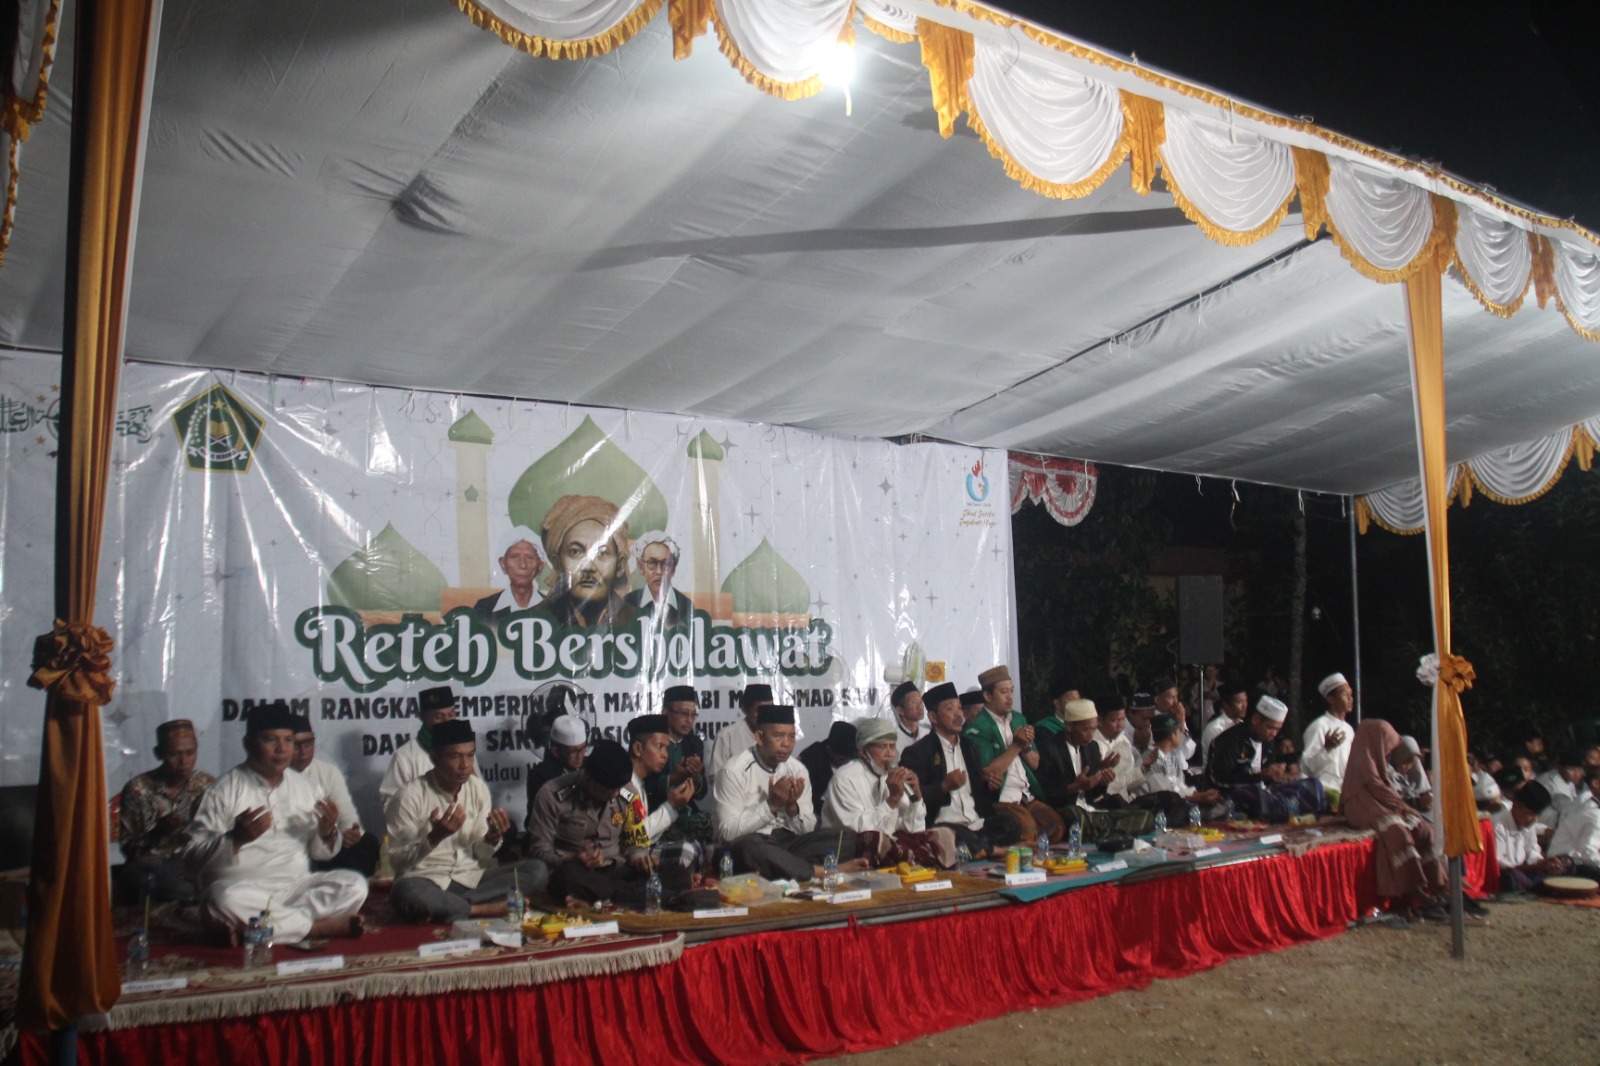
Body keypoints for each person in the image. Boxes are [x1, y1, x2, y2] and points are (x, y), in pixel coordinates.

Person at [182, 702, 367, 943]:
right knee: (222, 898)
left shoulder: (307, 788)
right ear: (249, 744)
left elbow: (321, 854)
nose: (281, 749)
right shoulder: (223, 791)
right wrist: (235, 839)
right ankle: (316, 929)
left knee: (355, 885)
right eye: (271, 740)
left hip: (295, 887)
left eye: (288, 740)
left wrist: (327, 832)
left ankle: (260, 927)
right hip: (243, 889)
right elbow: (190, 859)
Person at [387, 719, 549, 922]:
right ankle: (480, 909)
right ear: (435, 757)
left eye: (470, 755)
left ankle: (452, 906)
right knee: (404, 891)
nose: (465, 765)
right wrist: (434, 837)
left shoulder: (477, 789)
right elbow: (397, 861)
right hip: (426, 879)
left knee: (537, 870)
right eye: (455, 756)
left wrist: (492, 838)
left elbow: (480, 853)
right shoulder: (409, 796)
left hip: (469, 878)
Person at [715, 705, 867, 879]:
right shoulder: (733, 771)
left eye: (792, 736)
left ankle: (781, 868)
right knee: (751, 847)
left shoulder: (797, 770)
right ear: (759, 737)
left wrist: (792, 808)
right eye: (778, 736)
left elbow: (807, 829)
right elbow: (727, 833)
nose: (786, 744)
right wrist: (771, 806)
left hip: (787, 844)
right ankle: (819, 871)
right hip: (748, 844)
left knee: (845, 838)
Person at [527, 739, 682, 908]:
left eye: (619, 788)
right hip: (577, 874)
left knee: (679, 874)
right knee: (564, 879)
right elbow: (538, 852)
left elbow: (635, 844)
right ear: (589, 780)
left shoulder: (628, 793)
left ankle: (606, 898)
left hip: (615, 870)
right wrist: (573, 859)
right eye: (609, 790)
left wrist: (641, 860)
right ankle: (641, 896)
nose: (615, 795)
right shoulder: (552, 795)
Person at [1340, 719, 1452, 921]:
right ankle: (1415, 891)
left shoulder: (1379, 762)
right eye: (1388, 745)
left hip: (1380, 804)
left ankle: (1440, 886)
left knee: (1420, 827)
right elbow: (1377, 788)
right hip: (1360, 805)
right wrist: (1404, 807)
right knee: (1396, 829)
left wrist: (1407, 810)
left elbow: (1386, 792)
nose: (1389, 751)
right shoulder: (1362, 762)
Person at [900, 683, 1018, 858]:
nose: (958, 715)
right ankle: (991, 849)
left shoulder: (970, 747)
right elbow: (910, 798)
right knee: (952, 835)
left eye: (960, 708)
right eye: (950, 709)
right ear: (933, 717)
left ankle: (979, 848)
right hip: (943, 824)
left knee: (1010, 825)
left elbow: (981, 796)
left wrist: (991, 786)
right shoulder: (918, 752)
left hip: (975, 823)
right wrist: (943, 787)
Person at [821, 717, 955, 866]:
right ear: (864, 752)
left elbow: (914, 829)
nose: (890, 754)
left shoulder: (892, 776)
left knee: (943, 834)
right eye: (883, 747)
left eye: (892, 746)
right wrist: (892, 800)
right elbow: (861, 832)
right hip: (850, 850)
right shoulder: (845, 779)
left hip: (889, 845)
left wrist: (916, 798)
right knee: (877, 841)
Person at [963, 665, 1064, 845]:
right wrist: (1016, 745)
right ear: (988, 696)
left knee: (1056, 827)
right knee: (1028, 832)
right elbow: (989, 772)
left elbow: (1035, 763)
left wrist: (1025, 747)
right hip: (1003, 797)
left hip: (1025, 794)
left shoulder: (1018, 719)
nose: (1010, 697)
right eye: (1003, 692)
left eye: (1012, 690)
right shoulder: (978, 728)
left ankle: (1034, 853)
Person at [118, 720, 215, 902]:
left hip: (194, 860)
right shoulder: (138, 788)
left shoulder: (207, 785)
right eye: (174, 754)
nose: (184, 762)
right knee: (149, 880)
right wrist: (158, 832)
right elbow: (129, 849)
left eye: (190, 753)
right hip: (152, 864)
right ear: (159, 753)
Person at [1206, 695, 1325, 821]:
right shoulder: (1230, 740)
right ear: (1256, 719)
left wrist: (1279, 775)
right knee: (1257, 793)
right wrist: (1260, 777)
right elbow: (1217, 779)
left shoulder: (1267, 740)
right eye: (1270, 727)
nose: (1274, 734)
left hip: (1266, 793)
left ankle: (1288, 811)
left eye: (1277, 730)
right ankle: (1285, 812)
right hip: (1234, 796)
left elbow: (1268, 775)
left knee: (1313, 784)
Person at [289, 713, 379, 876]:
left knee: (367, 843)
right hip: (291, 847)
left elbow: (348, 818)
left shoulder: (327, 772)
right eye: (296, 745)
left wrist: (351, 833)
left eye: (308, 743)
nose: (303, 751)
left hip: (326, 841)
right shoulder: (275, 776)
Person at [533, 494, 636, 629]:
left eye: (602, 553)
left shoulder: (639, 623)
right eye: (576, 552)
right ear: (557, 563)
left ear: (620, 566)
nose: (588, 567)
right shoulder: (532, 623)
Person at [623, 714, 699, 870]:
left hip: (643, 848)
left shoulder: (639, 781)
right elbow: (637, 836)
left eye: (666, 748)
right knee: (687, 851)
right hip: (627, 855)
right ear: (638, 749)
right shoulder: (626, 784)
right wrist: (671, 805)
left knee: (695, 844)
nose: (665, 754)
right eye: (659, 746)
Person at [379, 685, 462, 814]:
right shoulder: (405, 757)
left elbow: (478, 794)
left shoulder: (464, 750)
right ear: (422, 716)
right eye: (439, 717)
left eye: (451, 715)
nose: (447, 722)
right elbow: (390, 804)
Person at [645, 685, 710, 842]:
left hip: (686, 812)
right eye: (684, 714)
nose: (689, 720)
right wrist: (671, 780)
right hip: (656, 812)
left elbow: (701, 793)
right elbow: (643, 786)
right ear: (666, 713)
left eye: (693, 715)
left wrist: (696, 777)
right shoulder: (650, 741)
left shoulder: (694, 744)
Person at [1493, 781, 1564, 893]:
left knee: (1566, 863)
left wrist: (1546, 863)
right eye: (1531, 814)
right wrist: (1535, 867)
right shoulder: (1497, 825)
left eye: (1538, 816)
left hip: (1525, 872)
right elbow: (1499, 865)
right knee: (1511, 876)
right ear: (1516, 806)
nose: (1535, 820)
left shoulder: (1529, 825)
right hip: (1504, 876)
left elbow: (1533, 852)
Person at [525, 715, 589, 832]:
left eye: (583, 749)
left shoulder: (591, 766)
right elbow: (538, 820)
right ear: (556, 751)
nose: (580, 756)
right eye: (573, 752)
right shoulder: (540, 775)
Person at [1301, 672, 1356, 809]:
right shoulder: (1319, 726)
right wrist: (1327, 748)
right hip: (1323, 792)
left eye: (1351, 694)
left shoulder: (1349, 729)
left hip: (1344, 792)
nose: (1350, 698)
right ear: (1331, 699)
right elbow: (1307, 767)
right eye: (1345, 694)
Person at [473, 525, 547, 619]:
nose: (523, 565)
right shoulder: (484, 608)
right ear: (503, 564)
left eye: (529, 558)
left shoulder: (552, 609)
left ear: (540, 566)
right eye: (514, 557)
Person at [625, 532, 693, 628]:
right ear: (640, 567)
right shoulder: (628, 603)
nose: (659, 571)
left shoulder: (687, 606)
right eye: (652, 563)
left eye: (665, 564)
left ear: (673, 569)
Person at [708, 683, 774, 781]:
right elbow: (716, 777)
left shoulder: (777, 735)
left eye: (770, 710)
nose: (766, 716)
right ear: (745, 709)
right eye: (760, 711)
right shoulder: (727, 736)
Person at [1546, 765, 1600, 881]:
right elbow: (1588, 852)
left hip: (1578, 860)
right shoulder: (1593, 812)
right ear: (1596, 783)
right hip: (1563, 863)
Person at [798, 721, 856, 817]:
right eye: (841, 759)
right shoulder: (811, 760)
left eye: (850, 759)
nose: (847, 763)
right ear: (829, 749)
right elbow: (807, 799)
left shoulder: (855, 759)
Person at [1535, 750, 1586, 834]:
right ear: (1560, 767)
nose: (1577, 773)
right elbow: (1570, 812)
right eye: (1572, 769)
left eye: (1579, 770)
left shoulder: (1566, 778)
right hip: (1543, 827)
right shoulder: (1553, 785)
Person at [1200, 682, 1248, 762]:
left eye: (1245, 701)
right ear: (1226, 705)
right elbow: (1220, 758)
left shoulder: (1242, 724)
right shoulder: (1215, 728)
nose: (1244, 706)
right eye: (1239, 702)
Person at [1390, 736, 1433, 812]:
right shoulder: (1388, 775)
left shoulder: (1410, 775)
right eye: (1406, 761)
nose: (1408, 766)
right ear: (1398, 755)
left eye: (1412, 763)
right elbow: (1391, 803)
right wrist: (1417, 802)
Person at [891, 681, 927, 754]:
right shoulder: (892, 739)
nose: (920, 706)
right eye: (914, 702)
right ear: (900, 710)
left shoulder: (928, 734)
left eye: (921, 702)